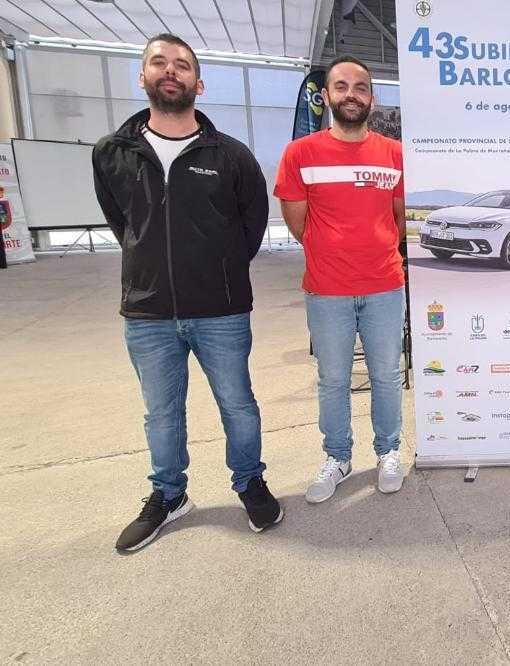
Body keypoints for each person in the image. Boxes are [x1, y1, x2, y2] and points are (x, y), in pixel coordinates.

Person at [92, 33, 280, 552]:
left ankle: (250, 482)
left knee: (238, 405)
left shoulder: (230, 155)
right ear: (143, 76)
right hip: (148, 312)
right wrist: (151, 266)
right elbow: (123, 223)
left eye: (182, 65)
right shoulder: (112, 153)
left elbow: (252, 222)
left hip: (221, 309)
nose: (170, 71)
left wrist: (219, 268)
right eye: (159, 62)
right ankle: (169, 495)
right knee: (161, 414)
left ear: (199, 82)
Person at [275, 55, 407, 502]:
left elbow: (399, 219)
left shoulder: (394, 154)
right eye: (342, 86)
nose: (352, 94)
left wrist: (373, 246)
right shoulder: (300, 153)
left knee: (386, 375)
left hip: (385, 286)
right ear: (328, 95)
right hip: (327, 290)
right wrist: (332, 249)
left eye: (361, 87)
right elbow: (297, 222)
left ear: (371, 96)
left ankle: (388, 451)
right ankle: (338, 457)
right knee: (333, 380)